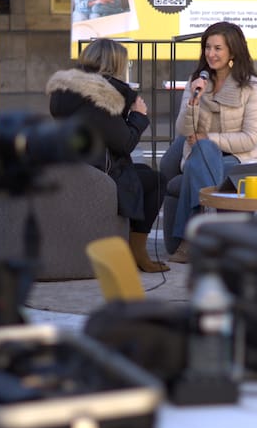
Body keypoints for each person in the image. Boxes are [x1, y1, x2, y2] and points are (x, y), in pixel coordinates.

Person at [46, 39, 168, 272]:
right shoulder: (100, 99)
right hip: (99, 177)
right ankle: (137, 251)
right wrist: (139, 116)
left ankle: (129, 244)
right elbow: (124, 143)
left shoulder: (67, 92)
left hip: (78, 170)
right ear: (115, 65)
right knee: (157, 181)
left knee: (142, 173)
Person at [166, 22, 257, 263]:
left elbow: (250, 138)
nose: (211, 54)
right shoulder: (196, 82)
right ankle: (211, 235)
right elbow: (183, 130)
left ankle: (190, 240)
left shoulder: (250, 86)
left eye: (218, 48)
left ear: (233, 52)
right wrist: (193, 103)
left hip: (239, 160)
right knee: (203, 153)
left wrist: (208, 138)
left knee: (203, 152)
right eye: (207, 47)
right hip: (199, 156)